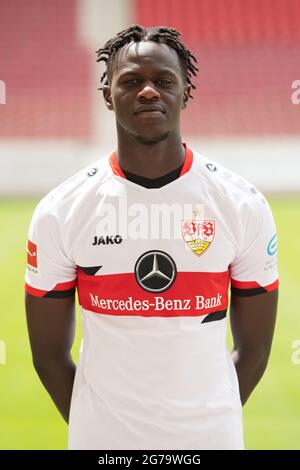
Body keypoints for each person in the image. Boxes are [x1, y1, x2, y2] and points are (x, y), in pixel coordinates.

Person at [25, 25, 279, 450]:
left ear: (185, 92)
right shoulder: (61, 210)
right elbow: (48, 356)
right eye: (130, 81)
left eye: (163, 81)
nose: (147, 92)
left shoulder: (242, 205)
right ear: (107, 95)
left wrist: (206, 422)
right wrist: (105, 432)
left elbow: (255, 350)